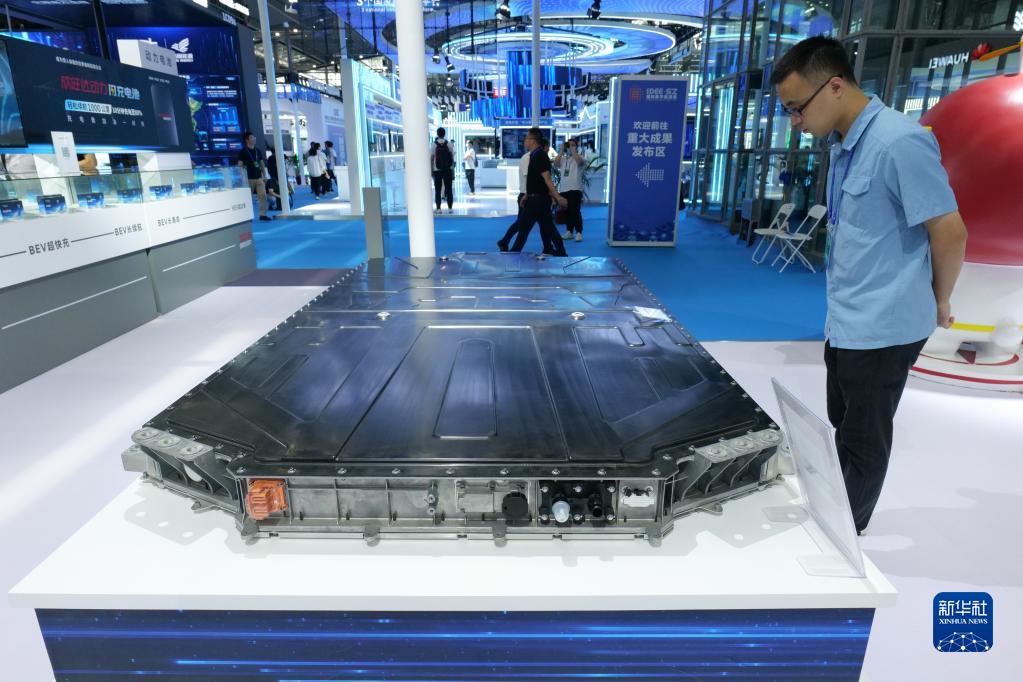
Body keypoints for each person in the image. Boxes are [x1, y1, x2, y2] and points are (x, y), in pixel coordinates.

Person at [771, 37, 967, 534]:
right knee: (845, 422)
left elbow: (949, 230)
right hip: (848, 319)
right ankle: (835, 507)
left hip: (885, 323)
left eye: (797, 108)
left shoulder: (898, 142)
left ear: (835, 86)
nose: (795, 122)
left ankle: (844, 532)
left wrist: (940, 298)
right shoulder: (844, 146)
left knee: (863, 437)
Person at [509, 130, 568, 256]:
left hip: (537, 201)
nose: (525, 140)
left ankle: (513, 254)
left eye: (526, 138)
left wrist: (557, 197)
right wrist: (527, 194)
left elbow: (547, 179)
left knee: (524, 228)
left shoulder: (540, 155)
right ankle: (562, 253)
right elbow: (536, 180)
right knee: (549, 228)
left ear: (533, 140)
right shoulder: (534, 155)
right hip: (536, 199)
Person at [496, 144, 532, 252]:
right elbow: (528, 177)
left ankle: (506, 243)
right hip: (527, 195)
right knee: (522, 224)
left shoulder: (531, 157)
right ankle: (507, 244)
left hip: (530, 195)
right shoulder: (527, 158)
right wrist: (527, 194)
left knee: (542, 224)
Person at [555, 138, 586, 242]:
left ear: (577, 147)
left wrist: (573, 150)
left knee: (575, 211)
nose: (570, 147)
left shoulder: (580, 157)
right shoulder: (563, 159)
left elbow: (579, 162)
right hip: (564, 188)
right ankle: (569, 231)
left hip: (575, 188)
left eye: (573, 145)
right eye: (569, 145)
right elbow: (556, 164)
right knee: (567, 212)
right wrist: (561, 151)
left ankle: (579, 232)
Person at [237, 131, 271, 221]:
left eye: (254, 137)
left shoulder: (257, 150)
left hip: (258, 177)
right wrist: (242, 177)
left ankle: (263, 214)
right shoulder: (243, 152)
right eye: (252, 137)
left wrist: (265, 175)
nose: (254, 139)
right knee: (248, 198)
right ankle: (247, 216)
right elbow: (240, 165)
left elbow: (261, 163)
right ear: (247, 140)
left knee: (263, 195)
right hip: (248, 178)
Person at [431, 127, 455, 213]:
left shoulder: (433, 145)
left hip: (437, 169)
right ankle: (450, 208)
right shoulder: (449, 144)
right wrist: (452, 169)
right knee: (449, 189)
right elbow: (452, 157)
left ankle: (438, 208)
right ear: (444, 134)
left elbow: (431, 157)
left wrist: (431, 170)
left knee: (437, 189)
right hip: (447, 169)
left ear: (437, 134)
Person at [265, 147, 293, 211]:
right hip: (281, 174)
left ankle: (277, 202)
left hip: (273, 175)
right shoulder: (281, 155)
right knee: (284, 186)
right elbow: (287, 159)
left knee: (275, 188)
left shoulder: (269, 158)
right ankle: (287, 197)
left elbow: (268, 167)